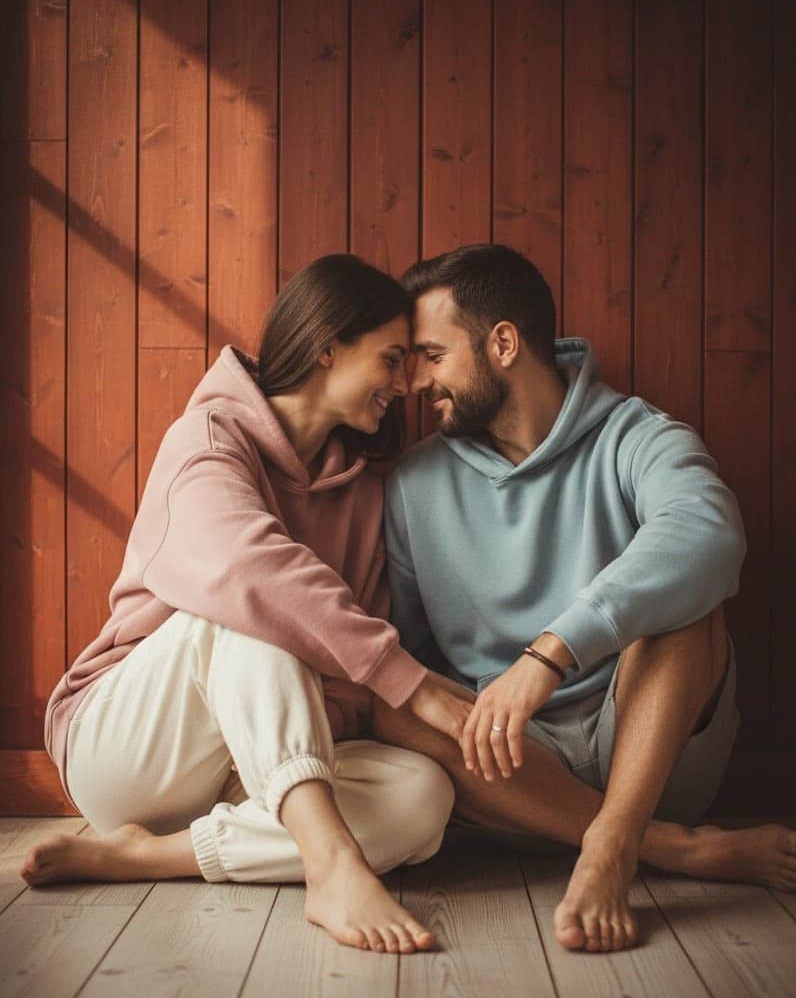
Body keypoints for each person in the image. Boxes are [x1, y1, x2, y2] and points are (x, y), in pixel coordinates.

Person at [372, 242, 796, 955]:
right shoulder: (413, 483)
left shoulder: (637, 435)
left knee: (689, 604)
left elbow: (708, 530)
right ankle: (669, 851)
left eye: (431, 354)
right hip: (515, 772)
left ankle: (616, 839)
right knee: (389, 695)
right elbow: (412, 654)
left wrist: (548, 655)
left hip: (649, 749)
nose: (415, 380)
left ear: (504, 344)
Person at [21, 254, 471, 955]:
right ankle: (331, 864)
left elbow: (355, 677)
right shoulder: (204, 442)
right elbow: (250, 572)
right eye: (390, 359)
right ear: (327, 345)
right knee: (251, 609)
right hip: (128, 750)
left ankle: (152, 858)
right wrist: (410, 682)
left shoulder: (362, 494)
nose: (403, 384)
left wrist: (290, 726)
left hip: (257, 772)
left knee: (423, 798)